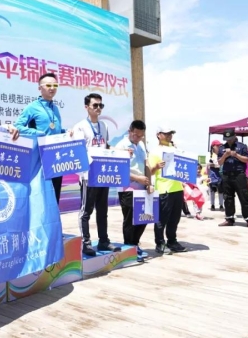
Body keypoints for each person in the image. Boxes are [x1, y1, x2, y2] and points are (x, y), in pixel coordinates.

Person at [73, 93, 121, 256]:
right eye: (95, 105)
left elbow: (106, 147)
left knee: (102, 210)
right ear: (86, 107)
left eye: (101, 105)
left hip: (103, 174)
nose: (98, 108)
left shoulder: (104, 126)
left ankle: (103, 241)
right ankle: (86, 243)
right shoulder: (80, 127)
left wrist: (120, 152)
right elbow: (79, 151)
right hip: (88, 175)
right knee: (86, 211)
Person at [14, 72, 73, 204]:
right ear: (39, 88)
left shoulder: (55, 108)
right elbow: (17, 126)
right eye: (48, 85)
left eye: (55, 85)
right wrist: (37, 133)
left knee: (55, 195)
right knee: (42, 195)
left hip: (56, 158)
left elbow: (54, 130)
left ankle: (54, 218)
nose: (52, 88)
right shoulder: (32, 107)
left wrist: (66, 132)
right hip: (40, 158)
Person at [114, 120, 153, 262]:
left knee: (144, 217)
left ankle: (135, 244)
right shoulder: (121, 146)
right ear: (129, 131)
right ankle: (129, 248)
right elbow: (119, 169)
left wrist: (149, 183)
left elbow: (147, 164)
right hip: (127, 188)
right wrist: (137, 178)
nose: (138, 138)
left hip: (142, 187)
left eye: (141, 136)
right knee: (130, 219)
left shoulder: (141, 145)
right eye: (136, 135)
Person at [149, 126, 187, 255]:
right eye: (166, 133)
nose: (169, 135)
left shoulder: (175, 149)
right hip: (164, 189)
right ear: (158, 135)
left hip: (177, 188)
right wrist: (156, 166)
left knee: (175, 218)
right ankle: (160, 243)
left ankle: (172, 241)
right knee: (161, 219)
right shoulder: (154, 151)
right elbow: (150, 171)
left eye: (171, 133)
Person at [217, 128, 248, 228]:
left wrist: (236, 155)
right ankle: (229, 219)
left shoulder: (242, 146)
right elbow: (219, 162)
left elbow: (247, 159)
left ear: (234, 136)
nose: (228, 140)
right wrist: (225, 155)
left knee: (244, 196)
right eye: (227, 139)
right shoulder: (222, 148)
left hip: (239, 174)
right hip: (226, 174)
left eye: (230, 138)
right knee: (228, 197)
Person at [207, 140, 225, 211]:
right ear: (213, 146)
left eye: (219, 146)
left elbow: (221, 164)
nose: (219, 147)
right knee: (212, 191)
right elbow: (208, 165)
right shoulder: (209, 154)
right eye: (217, 146)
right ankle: (212, 204)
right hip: (212, 176)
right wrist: (215, 165)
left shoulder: (221, 154)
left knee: (221, 191)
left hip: (220, 175)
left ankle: (221, 205)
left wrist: (214, 165)